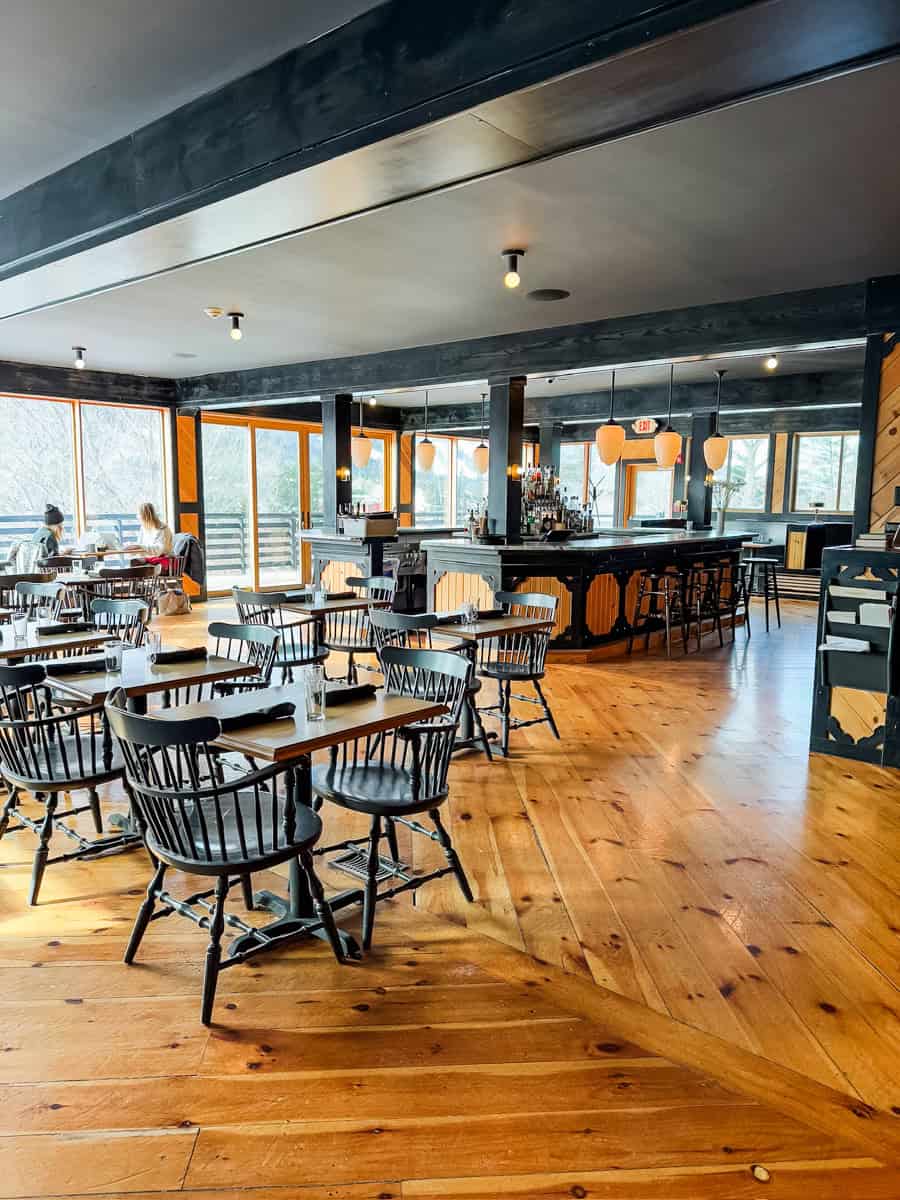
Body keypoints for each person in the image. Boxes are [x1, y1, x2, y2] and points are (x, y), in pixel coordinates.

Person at [125, 502, 175, 570]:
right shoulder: (143, 529)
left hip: (163, 562)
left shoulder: (162, 529)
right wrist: (133, 548)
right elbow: (142, 546)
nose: (137, 517)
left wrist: (140, 547)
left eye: (139, 515)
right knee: (133, 562)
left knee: (135, 565)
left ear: (145, 516)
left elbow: (160, 550)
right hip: (151, 560)